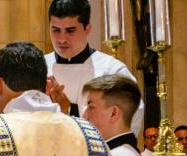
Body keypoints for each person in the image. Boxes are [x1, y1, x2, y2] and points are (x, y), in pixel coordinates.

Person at [45, 0, 144, 136]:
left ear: (87, 29)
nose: (62, 39)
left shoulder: (112, 70)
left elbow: (131, 118)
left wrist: (70, 111)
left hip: (98, 155)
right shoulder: (39, 67)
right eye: (56, 30)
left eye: (70, 30)